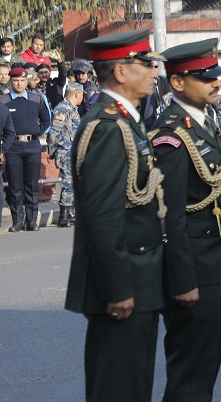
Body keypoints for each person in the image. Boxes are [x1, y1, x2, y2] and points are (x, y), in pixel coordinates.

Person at [64, 29, 167, 401]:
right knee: (118, 389)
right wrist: (118, 288)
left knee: (134, 386)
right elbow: (102, 217)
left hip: (140, 279)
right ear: (122, 72)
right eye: (147, 64)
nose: (155, 71)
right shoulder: (107, 125)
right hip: (124, 285)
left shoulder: (126, 119)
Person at [149, 39, 221, 401]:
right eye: (205, 78)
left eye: (217, 76)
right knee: (190, 378)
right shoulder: (171, 134)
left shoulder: (204, 122)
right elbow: (168, 217)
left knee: (204, 375)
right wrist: (181, 281)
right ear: (178, 83)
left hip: (218, 268)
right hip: (196, 275)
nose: (216, 83)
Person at [2, 67, 51, 232]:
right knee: (15, 187)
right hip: (12, 147)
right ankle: (17, 221)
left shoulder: (36, 99)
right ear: (10, 81)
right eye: (15, 80)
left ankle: (31, 221)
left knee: (32, 186)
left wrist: (37, 133)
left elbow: (46, 120)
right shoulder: (3, 101)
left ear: (27, 81)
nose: (19, 83)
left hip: (32, 146)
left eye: (22, 80)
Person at [48, 82, 84, 228]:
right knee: (68, 183)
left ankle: (70, 213)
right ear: (77, 94)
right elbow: (54, 132)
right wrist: (52, 151)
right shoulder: (63, 108)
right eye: (81, 94)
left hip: (73, 151)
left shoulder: (72, 109)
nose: (82, 97)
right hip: (65, 151)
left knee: (74, 183)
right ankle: (63, 215)